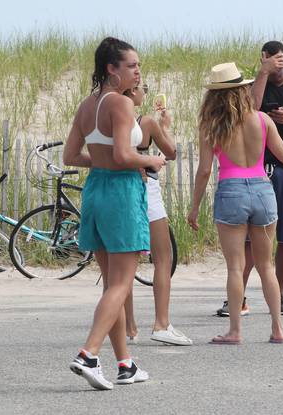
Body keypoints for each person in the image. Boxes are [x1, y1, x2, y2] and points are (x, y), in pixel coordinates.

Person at [187, 62, 283, 344]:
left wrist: (194, 208)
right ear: (242, 90)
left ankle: (235, 331)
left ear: (215, 95)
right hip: (263, 190)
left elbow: (204, 171)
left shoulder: (212, 126)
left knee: (234, 267)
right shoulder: (262, 119)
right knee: (266, 266)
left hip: (231, 191)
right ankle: (277, 329)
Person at [63, 37, 166, 390]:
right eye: (132, 66)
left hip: (97, 190)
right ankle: (89, 354)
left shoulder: (86, 104)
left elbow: (72, 156)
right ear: (112, 69)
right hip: (121, 192)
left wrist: (107, 161)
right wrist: (150, 160)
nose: (138, 72)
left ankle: (126, 364)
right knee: (121, 284)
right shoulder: (120, 105)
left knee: (113, 286)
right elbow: (124, 155)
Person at [215, 40, 283, 317]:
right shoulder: (253, 85)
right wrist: (262, 73)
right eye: (272, 59)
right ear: (264, 58)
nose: (278, 63)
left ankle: (280, 296)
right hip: (259, 172)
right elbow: (251, 108)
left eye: (281, 59)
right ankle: (237, 299)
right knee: (250, 241)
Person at [122, 83, 193, 346]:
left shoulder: (109, 118)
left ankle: (129, 326)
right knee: (163, 257)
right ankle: (161, 323)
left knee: (125, 260)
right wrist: (165, 126)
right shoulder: (147, 122)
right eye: (142, 88)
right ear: (132, 92)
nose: (145, 93)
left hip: (119, 186)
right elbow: (171, 152)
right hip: (146, 189)